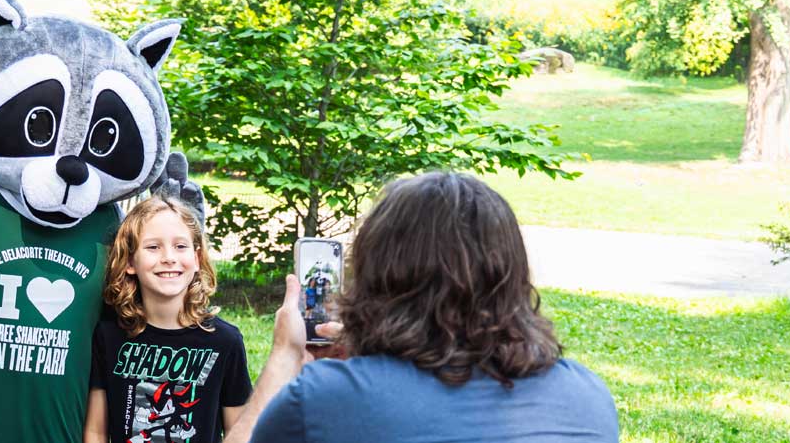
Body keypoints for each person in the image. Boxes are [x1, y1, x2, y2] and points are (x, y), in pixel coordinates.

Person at [226, 172, 619, 443]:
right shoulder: (587, 395)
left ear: (377, 273)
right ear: (512, 275)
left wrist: (286, 356)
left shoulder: (322, 398)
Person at [85, 196, 253, 443]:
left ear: (196, 259)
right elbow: (95, 431)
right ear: (130, 261)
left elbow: (240, 433)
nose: (169, 258)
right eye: (153, 247)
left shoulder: (225, 342)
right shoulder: (109, 336)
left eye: (180, 246)